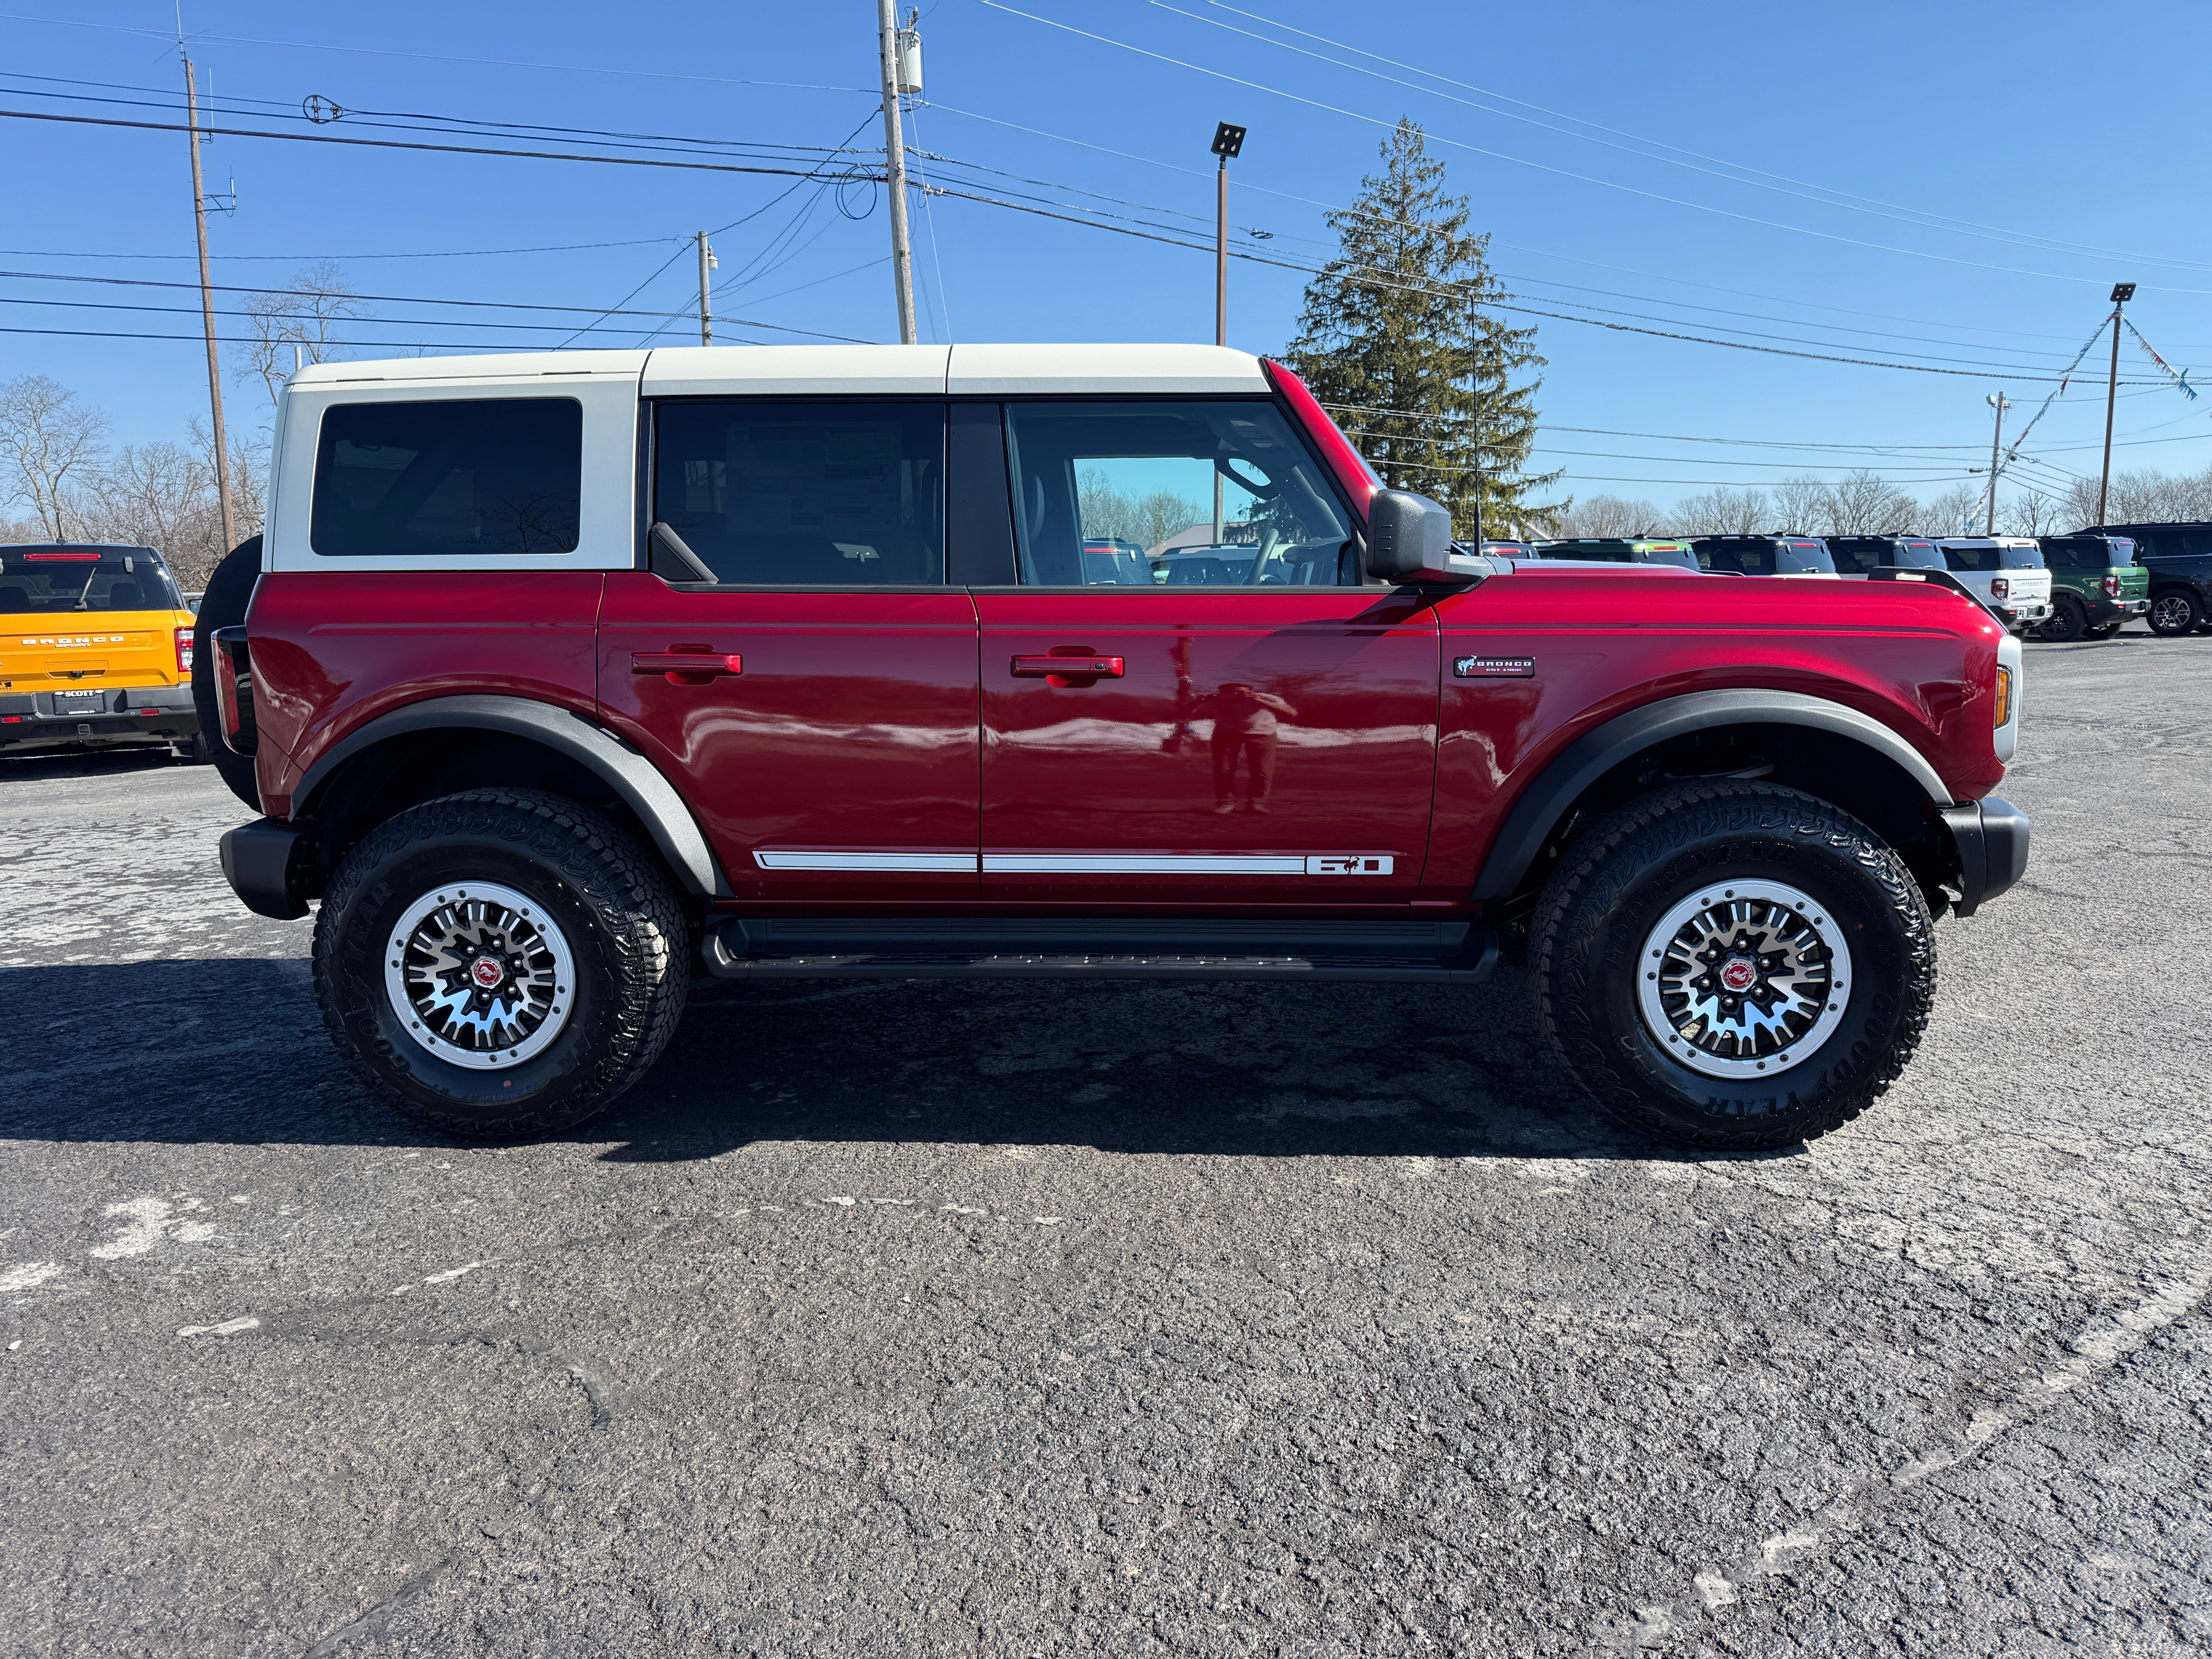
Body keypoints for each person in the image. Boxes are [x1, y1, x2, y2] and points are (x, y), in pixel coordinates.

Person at [1198, 681, 1296, 813]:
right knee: (1223, 768)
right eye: (1231, 693)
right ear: (1223, 694)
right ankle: (1226, 802)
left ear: (1251, 692)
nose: (1237, 696)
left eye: (1241, 692)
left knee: (1263, 769)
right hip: (1227, 732)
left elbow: (1292, 713)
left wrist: (1260, 701)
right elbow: (1185, 714)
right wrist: (1198, 702)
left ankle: (1257, 803)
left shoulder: (1265, 698)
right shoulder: (1216, 700)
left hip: (1263, 732)